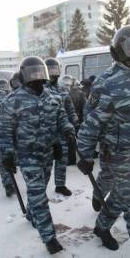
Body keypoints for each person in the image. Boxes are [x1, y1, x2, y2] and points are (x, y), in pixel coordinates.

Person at [77, 25, 130, 258]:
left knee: (120, 195)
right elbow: (91, 122)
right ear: (117, 52)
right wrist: (84, 154)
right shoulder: (107, 82)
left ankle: (102, 225)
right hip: (116, 155)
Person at [0, 56, 75, 254]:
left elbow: (61, 119)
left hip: (47, 153)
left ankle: (32, 214)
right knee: (38, 194)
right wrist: (6, 154)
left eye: (40, 73)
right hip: (28, 155)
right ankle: (49, 237)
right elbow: (4, 130)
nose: (37, 77)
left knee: (41, 188)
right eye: (32, 73)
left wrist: (68, 132)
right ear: (24, 76)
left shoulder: (53, 96)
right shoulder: (13, 100)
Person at [45, 57, 79, 196]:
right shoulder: (40, 89)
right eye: (50, 70)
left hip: (62, 132)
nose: (54, 73)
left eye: (55, 69)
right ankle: (40, 190)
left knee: (62, 160)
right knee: (45, 164)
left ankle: (60, 185)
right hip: (46, 133)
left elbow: (70, 108)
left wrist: (75, 121)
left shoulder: (63, 89)